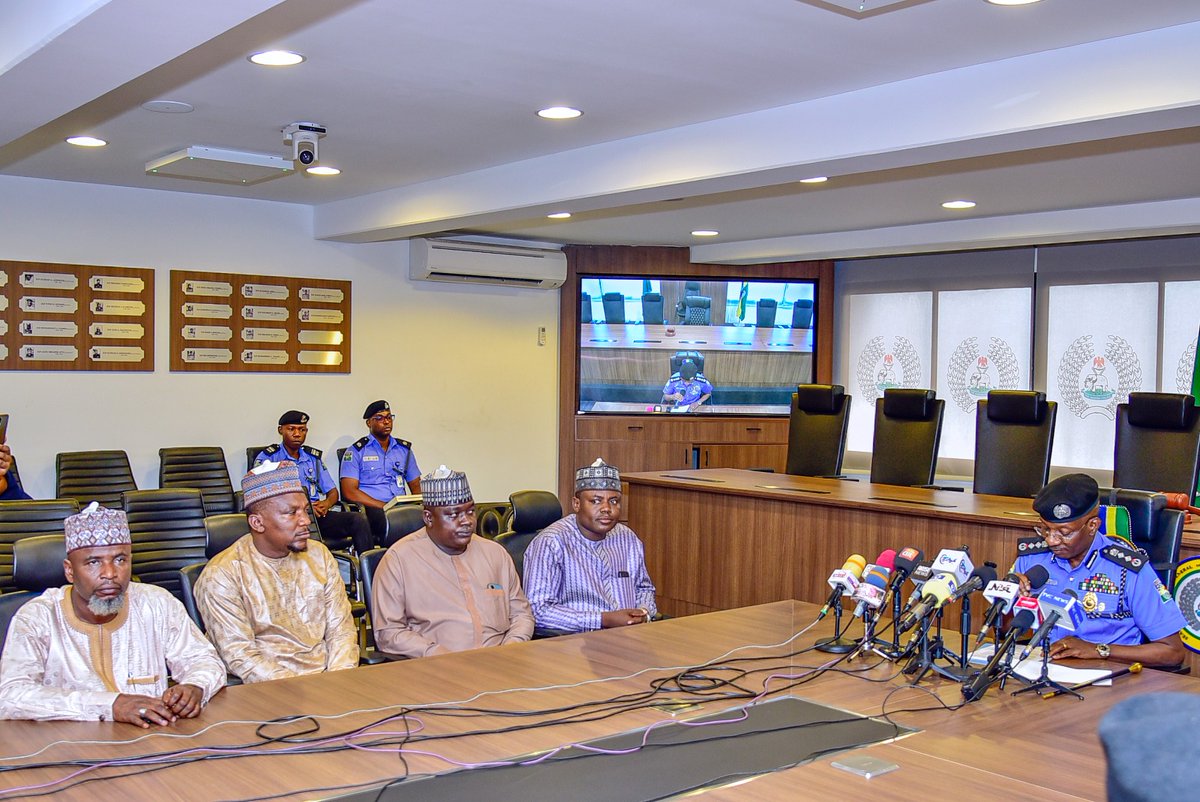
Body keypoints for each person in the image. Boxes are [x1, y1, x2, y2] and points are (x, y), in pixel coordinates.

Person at [0, 503, 225, 724]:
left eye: (120, 560)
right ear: (70, 570)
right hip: (70, 747)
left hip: (152, 738)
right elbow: (11, 695)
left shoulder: (156, 603)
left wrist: (195, 686)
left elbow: (203, 660)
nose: (110, 573)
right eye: (93, 562)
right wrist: (110, 705)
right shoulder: (38, 617)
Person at [194, 461, 358, 683]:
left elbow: (342, 630)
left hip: (329, 680)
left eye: (305, 511)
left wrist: (338, 680)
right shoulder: (221, 575)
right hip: (268, 690)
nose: (306, 521)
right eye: (291, 513)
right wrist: (303, 691)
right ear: (257, 523)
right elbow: (240, 655)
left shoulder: (319, 555)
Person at [1013, 473, 1186, 668]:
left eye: (1064, 533)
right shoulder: (1031, 559)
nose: (1051, 540)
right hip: (1041, 670)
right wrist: (1007, 597)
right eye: (1045, 529)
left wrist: (1099, 649)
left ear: (1093, 525)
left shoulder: (1127, 569)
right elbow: (1004, 631)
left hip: (1109, 681)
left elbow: (1173, 652)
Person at [370, 466, 533, 657]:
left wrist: (511, 646)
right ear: (428, 518)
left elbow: (521, 615)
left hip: (502, 662)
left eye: (470, 511)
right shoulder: (398, 560)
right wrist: (436, 654)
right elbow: (388, 633)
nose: (467, 521)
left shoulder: (495, 553)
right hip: (436, 668)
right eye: (454, 515)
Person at [523, 459, 657, 633]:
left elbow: (644, 588)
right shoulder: (552, 542)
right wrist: (603, 620)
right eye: (595, 501)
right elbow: (538, 611)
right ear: (576, 504)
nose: (606, 509)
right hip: (575, 643)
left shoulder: (627, 537)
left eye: (614, 501)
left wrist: (643, 613)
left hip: (631, 637)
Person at [253, 410, 373, 554]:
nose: (297, 434)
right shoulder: (268, 458)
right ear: (281, 430)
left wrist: (326, 504)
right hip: (287, 519)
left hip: (317, 516)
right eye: (291, 429)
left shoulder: (313, 458)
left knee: (358, 520)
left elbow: (333, 492)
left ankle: (369, 570)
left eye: (302, 430)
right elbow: (262, 497)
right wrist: (305, 508)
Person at [340, 400, 421, 546]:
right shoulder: (356, 451)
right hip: (373, 508)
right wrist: (384, 506)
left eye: (389, 417)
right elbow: (349, 491)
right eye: (379, 418)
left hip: (400, 505)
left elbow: (416, 485)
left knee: (427, 516)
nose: (386, 422)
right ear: (369, 423)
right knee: (390, 520)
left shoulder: (404, 450)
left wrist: (420, 505)